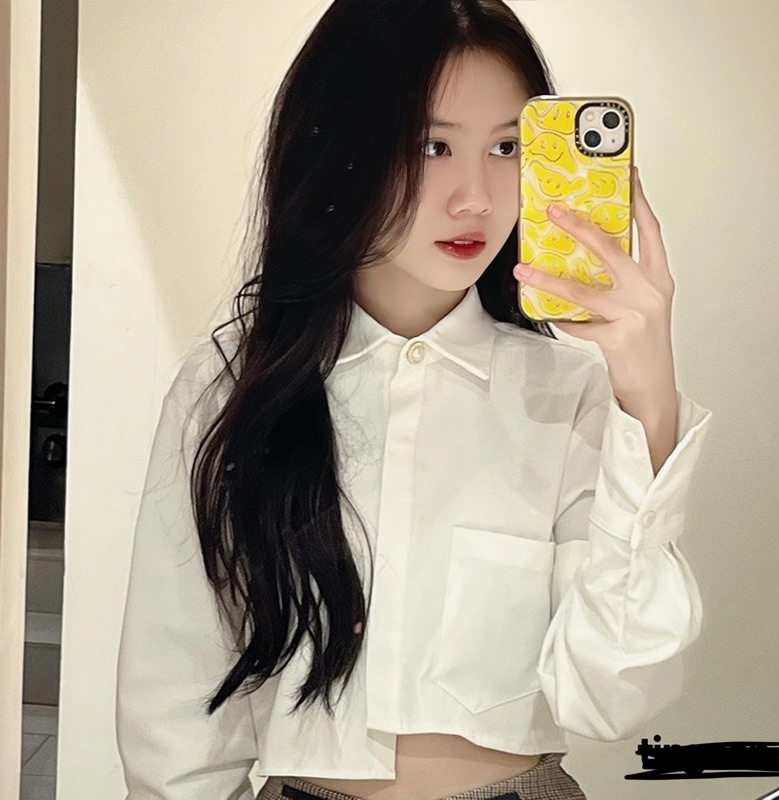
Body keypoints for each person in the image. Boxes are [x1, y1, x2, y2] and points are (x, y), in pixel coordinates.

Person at [115, 1, 712, 799]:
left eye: (507, 147)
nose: (476, 197)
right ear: (337, 148)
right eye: (432, 146)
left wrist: (649, 405)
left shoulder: (570, 395)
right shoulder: (231, 389)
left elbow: (614, 693)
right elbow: (175, 708)